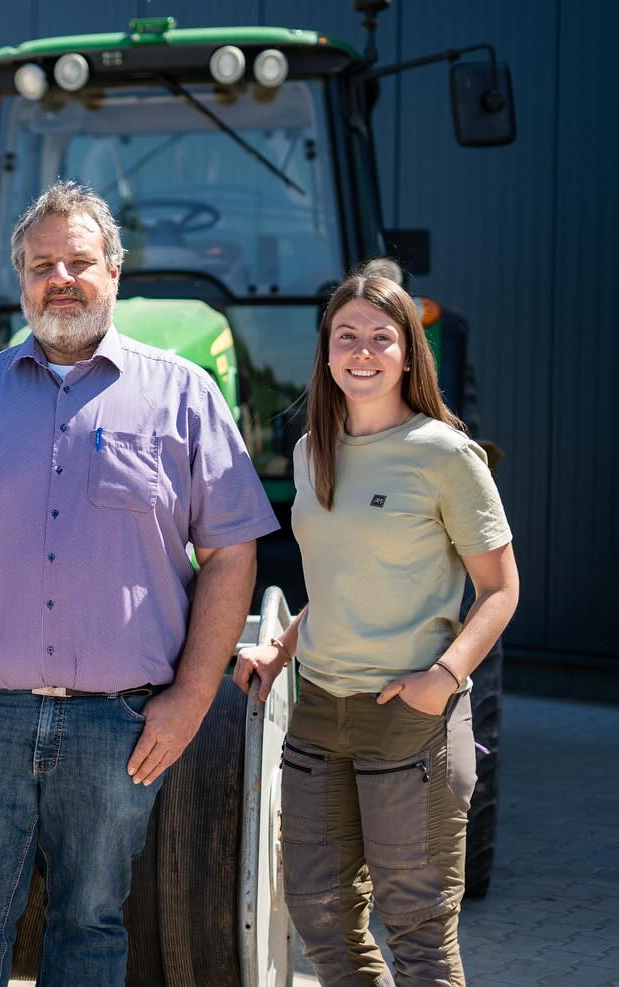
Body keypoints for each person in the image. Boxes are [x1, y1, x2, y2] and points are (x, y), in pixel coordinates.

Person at [0, 179, 279, 986]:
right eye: (41, 265)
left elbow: (233, 554)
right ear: (20, 281)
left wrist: (192, 696)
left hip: (118, 729)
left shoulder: (185, 395)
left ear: (115, 274)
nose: (59, 278)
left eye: (78, 261)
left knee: (92, 925)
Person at [234, 272, 519, 985]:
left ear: (407, 353)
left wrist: (443, 679)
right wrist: (280, 648)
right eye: (346, 337)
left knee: (418, 936)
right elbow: (339, 583)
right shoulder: (311, 451)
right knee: (321, 921)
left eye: (380, 337)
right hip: (320, 712)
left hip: (409, 717)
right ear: (327, 352)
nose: (363, 352)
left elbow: (500, 589)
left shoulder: (446, 455)